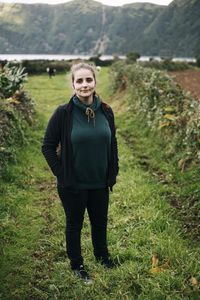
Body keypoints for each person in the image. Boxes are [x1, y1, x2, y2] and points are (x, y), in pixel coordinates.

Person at [42, 62, 119, 284]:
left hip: (100, 181)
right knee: (74, 225)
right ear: (73, 84)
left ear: (94, 82)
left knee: (100, 222)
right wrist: (61, 173)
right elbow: (47, 146)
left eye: (88, 80)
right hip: (73, 184)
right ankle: (77, 265)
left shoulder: (106, 111)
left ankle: (102, 256)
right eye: (79, 81)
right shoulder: (63, 113)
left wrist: (113, 170)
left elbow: (112, 142)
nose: (84, 85)